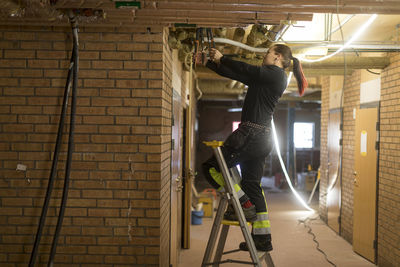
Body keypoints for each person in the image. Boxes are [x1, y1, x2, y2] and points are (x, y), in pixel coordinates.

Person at [202, 44, 308, 252]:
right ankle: (262, 238)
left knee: (211, 168)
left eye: (268, 52)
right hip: (261, 137)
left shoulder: (276, 75)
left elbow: (246, 69)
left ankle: (243, 204)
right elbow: (238, 74)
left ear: (277, 57)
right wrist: (208, 63)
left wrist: (222, 57)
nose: (264, 55)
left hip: (251, 134)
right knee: (252, 186)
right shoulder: (267, 78)